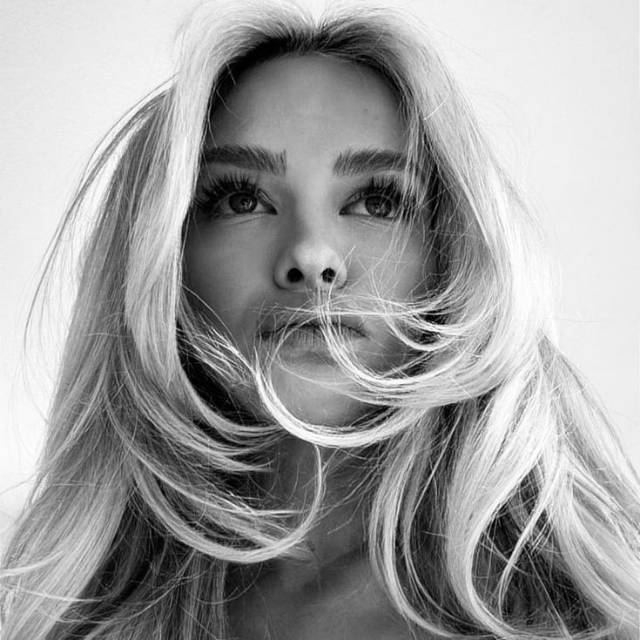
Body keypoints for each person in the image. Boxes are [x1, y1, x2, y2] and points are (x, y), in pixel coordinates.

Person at [2, 2, 639, 639]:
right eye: (242, 198)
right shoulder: (59, 610)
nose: (311, 255)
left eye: (377, 200)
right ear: (163, 253)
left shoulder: (595, 610)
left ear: (454, 250)